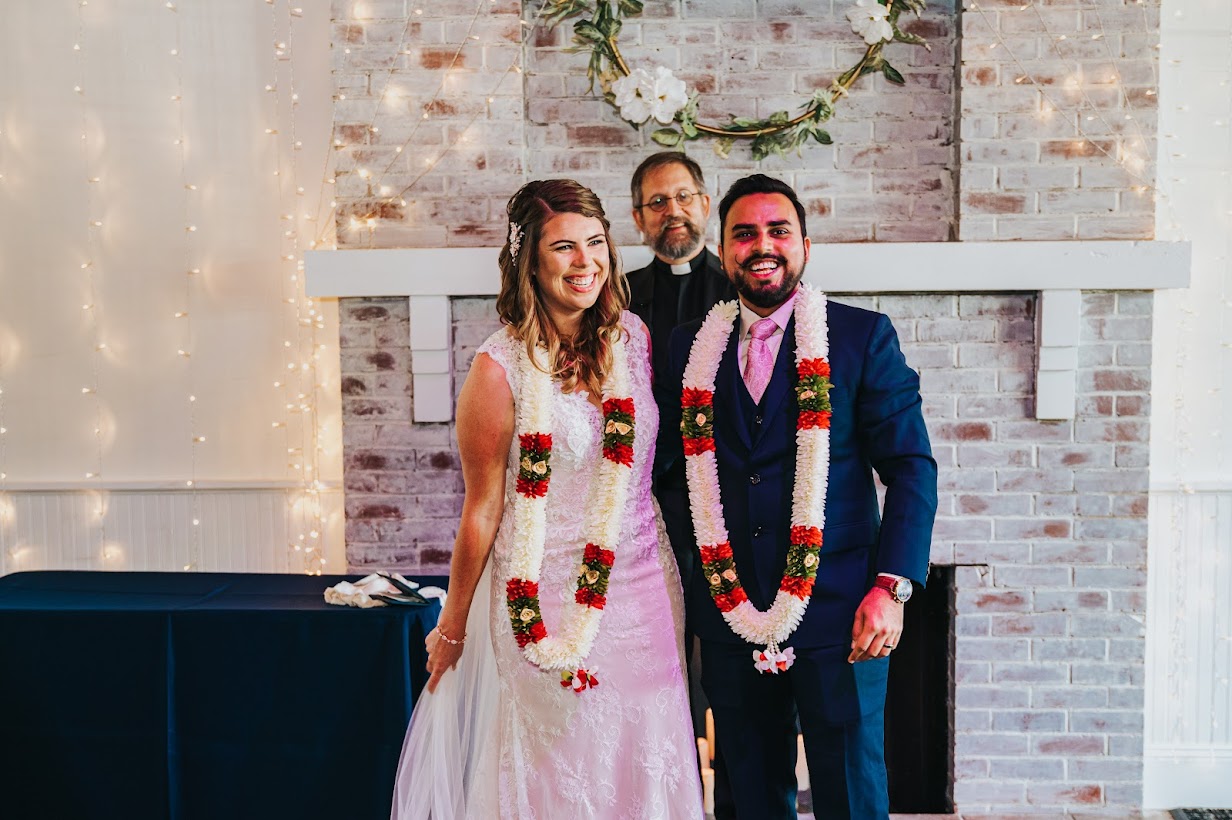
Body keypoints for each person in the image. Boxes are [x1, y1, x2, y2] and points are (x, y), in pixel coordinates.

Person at [390, 178, 703, 820]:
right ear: (529, 259)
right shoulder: (497, 369)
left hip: (644, 586)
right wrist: (451, 626)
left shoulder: (635, 342)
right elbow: (482, 508)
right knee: (561, 769)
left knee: (648, 755)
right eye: (565, 247)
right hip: (544, 599)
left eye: (596, 243)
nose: (586, 262)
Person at [663, 174, 938, 819]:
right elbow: (674, 480)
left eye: (778, 230)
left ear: (805, 246)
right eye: (745, 233)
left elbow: (911, 467)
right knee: (747, 794)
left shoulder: (861, 337)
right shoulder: (686, 349)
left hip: (842, 612)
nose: (763, 245)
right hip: (730, 617)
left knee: (851, 789)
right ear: (725, 249)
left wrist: (890, 587)